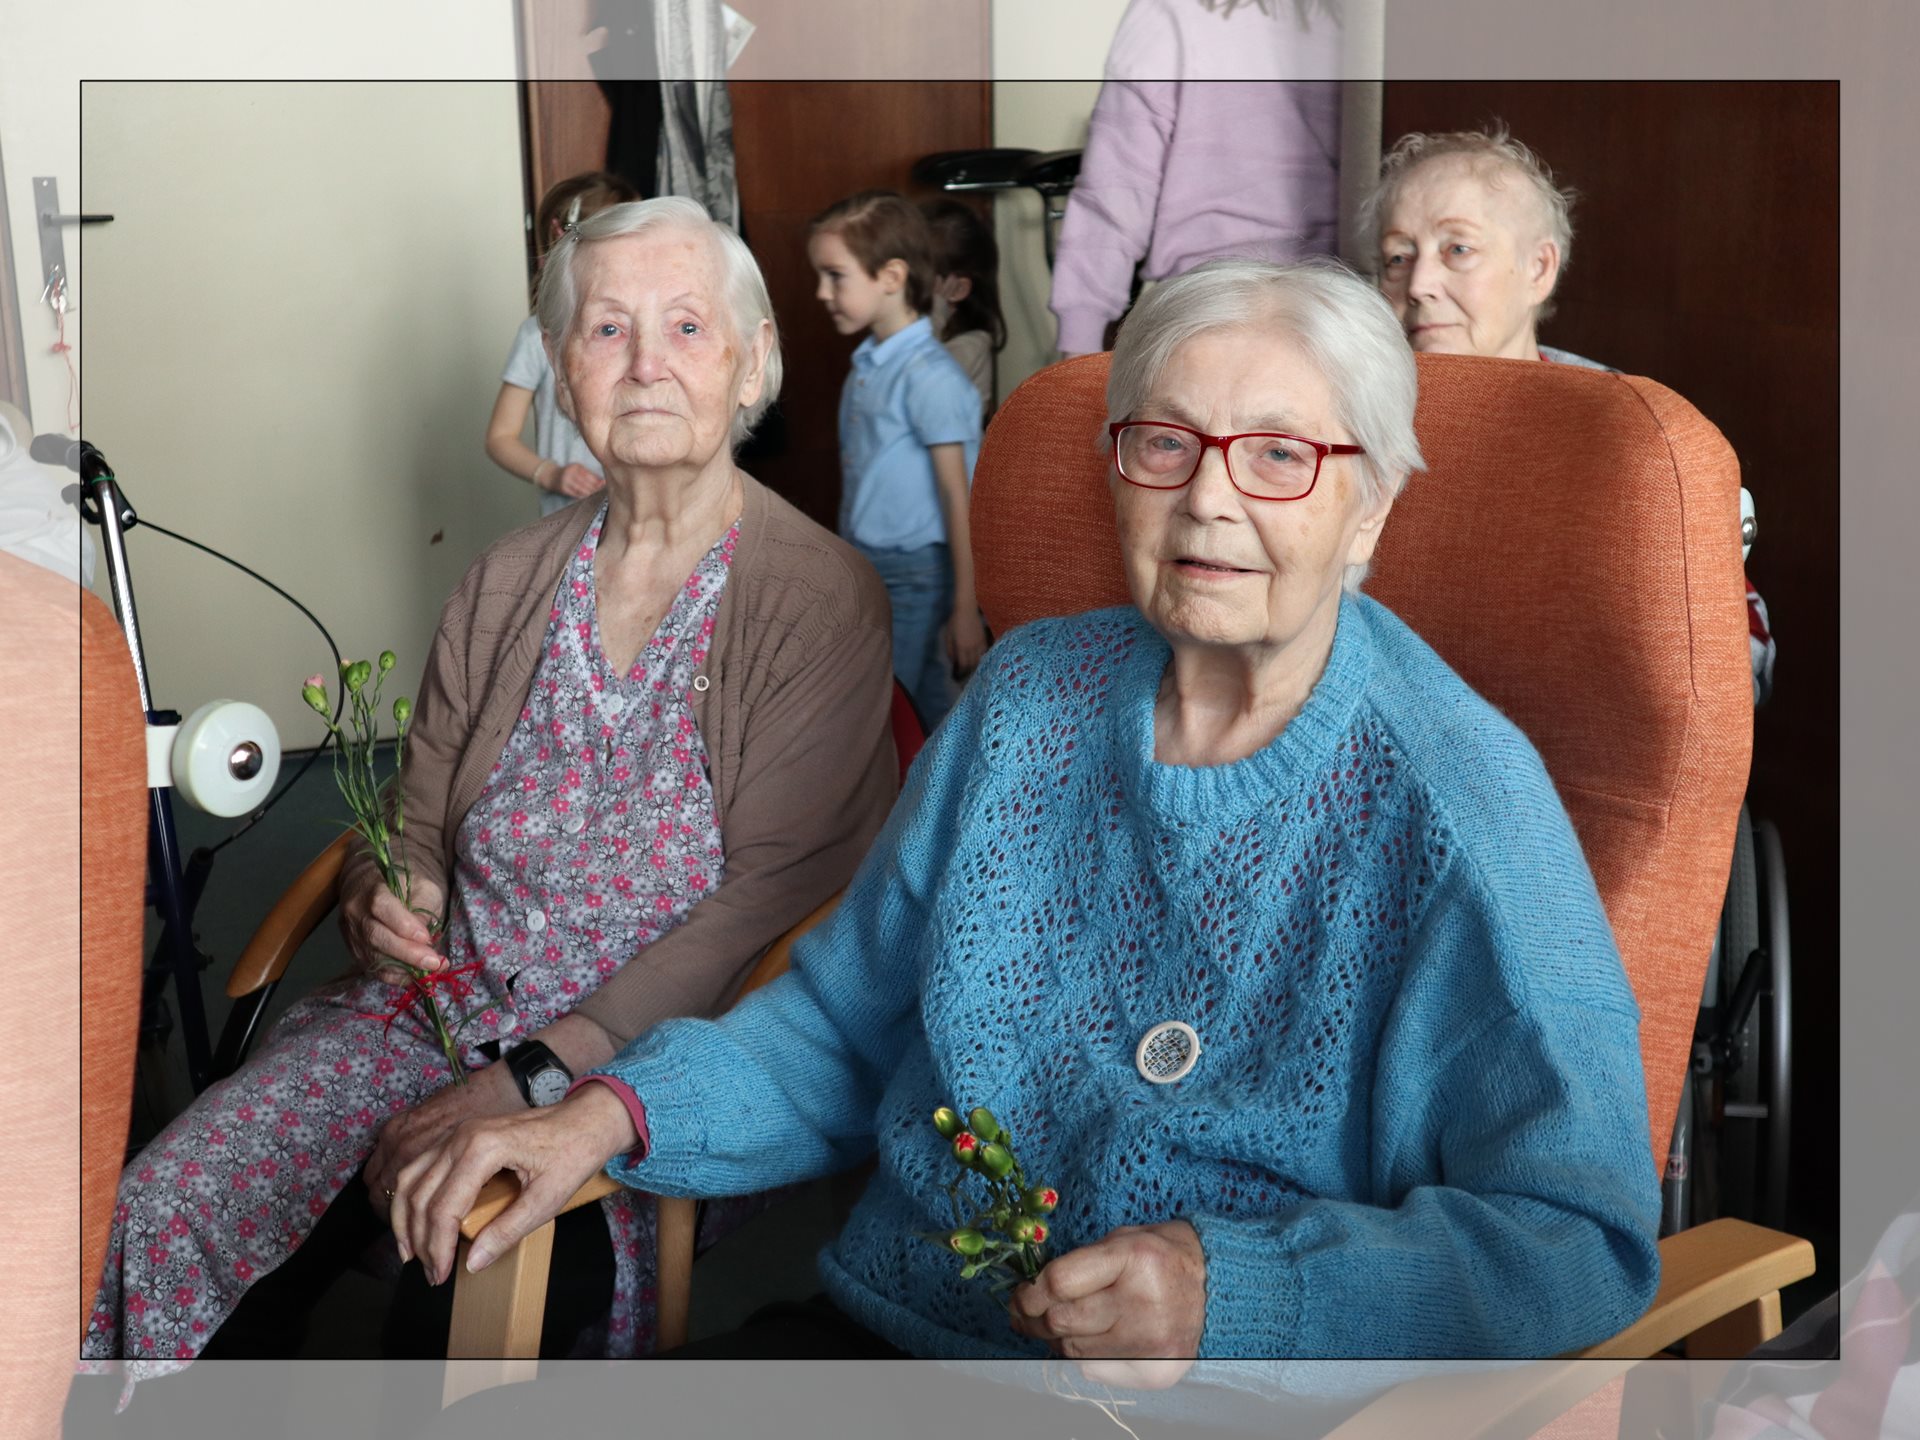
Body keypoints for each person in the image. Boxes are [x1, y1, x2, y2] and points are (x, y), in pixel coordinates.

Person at [393, 260, 1662, 1386]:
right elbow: (841, 1021)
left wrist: (1231, 1295)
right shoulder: (1027, 698)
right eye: (1165, 442)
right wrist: (610, 1111)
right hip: (902, 1343)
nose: (1209, 500)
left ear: (1371, 502)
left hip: (1221, 1401)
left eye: (1281, 456)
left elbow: (1575, 1240)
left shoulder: (1462, 803)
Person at [81, 196, 898, 1393]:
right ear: (563, 368)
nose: (647, 363)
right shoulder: (504, 580)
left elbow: (775, 899)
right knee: (169, 1206)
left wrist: (533, 1076)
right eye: (607, 329)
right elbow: (414, 820)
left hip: (642, 1060)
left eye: (686, 326)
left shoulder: (817, 599)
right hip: (425, 1013)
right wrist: (386, 892)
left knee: (456, 1285)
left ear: (752, 360)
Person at [1362, 124, 1777, 701]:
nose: (1419, 283)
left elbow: (1738, 656)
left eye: (1458, 249)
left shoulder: (1626, 428)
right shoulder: (1346, 412)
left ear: (1539, 269)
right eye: (1397, 257)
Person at [1049, 2, 1344, 358]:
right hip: (1335, 309)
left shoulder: (1169, 12)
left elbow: (1113, 194)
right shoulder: (1364, 20)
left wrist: (1078, 345)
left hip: (1206, 309)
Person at [808, 190, 986, 729]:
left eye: (835, 276)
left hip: (916, 573)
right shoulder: (869, 364)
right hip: (871, 562)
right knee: (923, 705)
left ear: (890, 277)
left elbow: (959, 495)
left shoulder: (930, 377)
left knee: (888, 710)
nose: (821, 292)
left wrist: (967, 608)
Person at [484, 171, 638, 517]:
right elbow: (499, 437)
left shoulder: (645, 330)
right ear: (561, 234)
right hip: (569, 519)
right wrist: (551, 474)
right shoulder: (535, 337)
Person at [920, 198, 1006, 423]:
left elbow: (921, 387)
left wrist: (935, 314)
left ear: (957, 289)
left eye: (916, 279)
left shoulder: (972, 345)